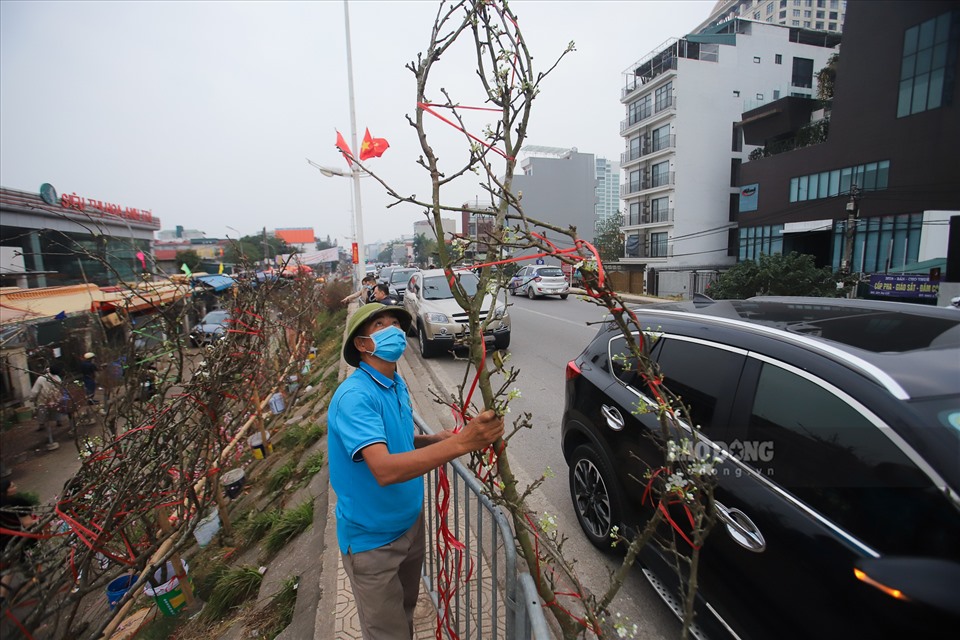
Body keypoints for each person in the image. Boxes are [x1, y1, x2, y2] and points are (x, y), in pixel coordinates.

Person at [328, 303, 504, 639]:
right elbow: (384, 469)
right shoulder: (354, 397)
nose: (393, 329)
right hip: (372, 545)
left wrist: (434, 439)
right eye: (380, 325)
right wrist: (462, 443)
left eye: (396, 322)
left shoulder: (395, 383)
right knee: (387, 632)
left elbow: (399, 441)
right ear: (363, 345)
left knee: (406, 609)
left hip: (409, 526)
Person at [0, 479, 40, 603]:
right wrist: (39, 521)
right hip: (17, 541)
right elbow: (27, 523)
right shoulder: (17, 503)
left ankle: (2, 597)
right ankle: (18, 597)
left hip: (3, 543)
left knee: (10, 567)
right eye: (12, 486)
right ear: (7, 490)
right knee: (30, 566)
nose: (15, 487)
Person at [28, 365, 63, 431]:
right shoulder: (58, 378)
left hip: (44, 397)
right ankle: (58, 421)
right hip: (55, 396)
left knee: (42, 410)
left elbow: (35, 391)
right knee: (56, 408)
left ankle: (42, 424)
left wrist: (32, 398)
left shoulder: (41, 378)